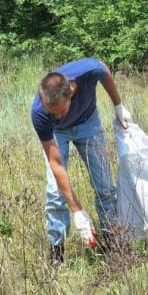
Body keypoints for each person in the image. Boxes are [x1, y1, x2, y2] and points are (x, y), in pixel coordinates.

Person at [31, 58, 132, 264]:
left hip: (88, 123)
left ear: (72, 93)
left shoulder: (88, 71)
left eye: (60, 111)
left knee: (104, 186)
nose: (57, 116)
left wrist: (118, 105)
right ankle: (56, 255)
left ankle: (112, 244)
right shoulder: (40, 113)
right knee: (54, 193)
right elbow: (56, 164)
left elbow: (105, 72)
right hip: (57, 135)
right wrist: (77, 210)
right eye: (53, 113)